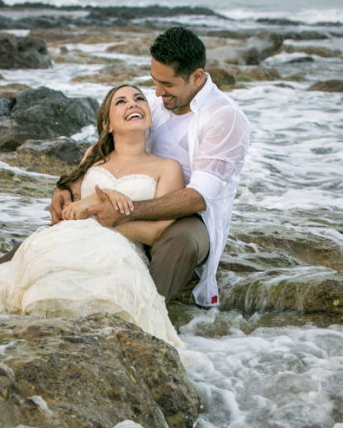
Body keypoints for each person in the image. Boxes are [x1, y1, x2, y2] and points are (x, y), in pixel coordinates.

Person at [0, 85, 184, 346]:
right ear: (107, 124)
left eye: (139, 99)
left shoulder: (167, 168)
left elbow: (157, 233)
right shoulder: (94, 155)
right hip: (70, 237)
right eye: (121, 102)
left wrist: (104, 213)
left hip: (119, 253)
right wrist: (90, 202)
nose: (133, 104)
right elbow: (69, 212)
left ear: (149, 116)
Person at [52, 26, 250, 308]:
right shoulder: (158, 103)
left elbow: (199, 197)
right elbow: (112, 145)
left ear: (196, 77)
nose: (157, 92)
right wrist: (66, 186)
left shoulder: (224, 117)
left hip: (191, 216)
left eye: (166, 84)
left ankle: (142, 313)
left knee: (178, 241)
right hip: (137, 194)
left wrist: (122, 213)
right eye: (154, 82)